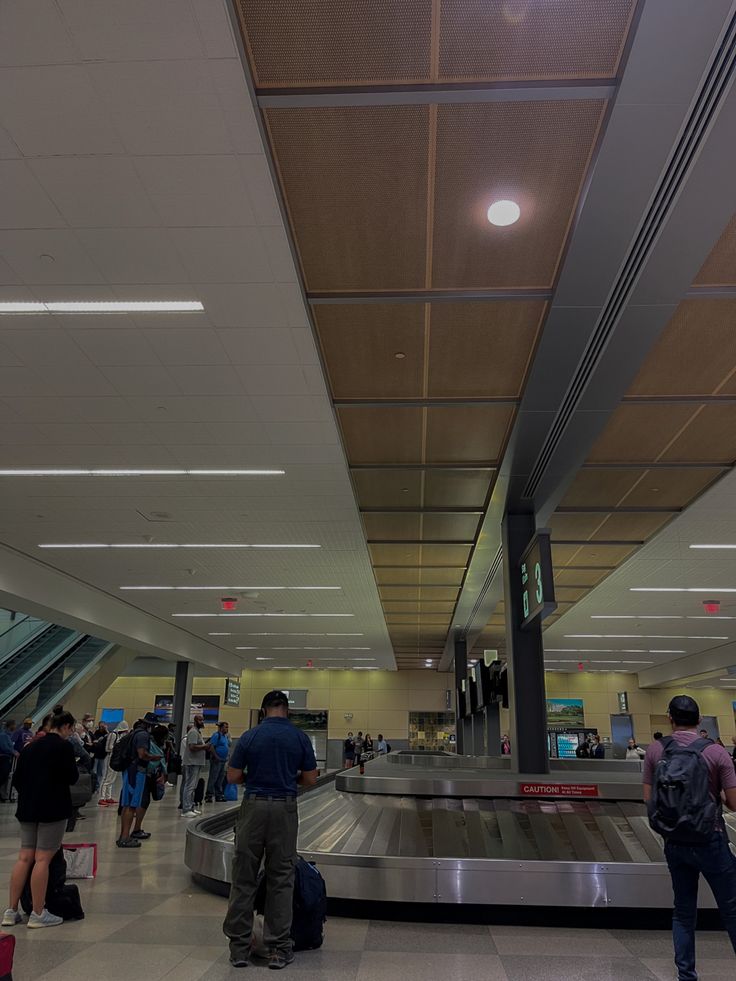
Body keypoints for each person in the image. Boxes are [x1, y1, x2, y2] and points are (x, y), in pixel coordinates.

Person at [643, 695, 736, 981]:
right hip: (711, 840)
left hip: (676, 843)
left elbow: (649, 799)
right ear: (699, 720)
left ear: (670, 719)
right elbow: (733, 802)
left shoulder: (656, 751)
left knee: (683, 911)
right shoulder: (716, 753)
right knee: (732, 909)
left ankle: (686, 975)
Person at [224, 690, 317, 970]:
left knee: (244, 877)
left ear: (264, 710)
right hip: (284, 809)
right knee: (281, 878)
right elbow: (311, 778)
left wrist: (255, 777)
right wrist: (289, 777)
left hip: (253, 807)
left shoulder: (250, 736)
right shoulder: (299, 737)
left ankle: (239, 949)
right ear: (286, 711)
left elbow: (232, 776)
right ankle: (277, 949)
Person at [3, 711, 78, 929]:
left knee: (24, 856)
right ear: (64, 726)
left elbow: (17, 780)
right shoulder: (64, 747)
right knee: (42, 859)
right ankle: (38, 912)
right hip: (53, 809)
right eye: (71, 729)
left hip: (27, 808)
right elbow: (72, 777)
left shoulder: (30, 747)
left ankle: (11, 911)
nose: (71, 733)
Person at [118, 713, 161, 848]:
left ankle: (123, 835)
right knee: (131, 805)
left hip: (130, 770)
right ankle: (125, 837)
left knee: (126, 805)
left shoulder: (135, 733)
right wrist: (154, 757)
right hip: (137, 772)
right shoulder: (143, 736)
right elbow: (142, 754)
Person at [181, 713, 208, 818]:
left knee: (193, 786)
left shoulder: (198, 732)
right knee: (189, 786)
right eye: (200, 720)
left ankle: (191, 806)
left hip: (197, 762)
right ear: (196, 721)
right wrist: (204, 746)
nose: (202, 722)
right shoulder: (193, 732)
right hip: (192, 762)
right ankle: (186, 809)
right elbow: (192, 747)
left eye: (203, 720)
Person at [98, 720, 127, 805]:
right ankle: (101, 797)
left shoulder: (118, 735)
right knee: (106, 777)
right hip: (109, 757)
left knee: (112, 778)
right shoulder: (113, 734)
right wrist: (117, 748)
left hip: (115, 757)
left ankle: (108, 796)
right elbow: (108, 748)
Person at [206, 721, 231, 803]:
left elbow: (226, 747)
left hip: (223, 760)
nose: (227, 729)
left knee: (220, 778)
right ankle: (209, 795)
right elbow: (211, 747)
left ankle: (218, 795)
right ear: (221, 728)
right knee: (213, 777)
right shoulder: (216, 735)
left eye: (227, 727)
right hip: (216, 760)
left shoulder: (225, 737)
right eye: (225, 727)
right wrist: (216, 757)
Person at [91, 720, 109, 794]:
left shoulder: (106, 733)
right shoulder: (96, 732)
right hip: (96, 754)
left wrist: (106, 730)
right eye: (100, 726)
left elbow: (110, 737)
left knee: (100, 772)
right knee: (94, 771)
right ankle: (93, 786)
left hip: (102, 755)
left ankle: (97, 787)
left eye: (103, 726)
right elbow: (94, 740)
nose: (101, 728)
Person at [0, 722, 15, 802]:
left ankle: (2, 795)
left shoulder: (8, 735)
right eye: (14, 725)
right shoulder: (3, 735)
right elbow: (4, 747)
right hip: (3, 758)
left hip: (7, 757)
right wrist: (13, 751)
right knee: (3, 775)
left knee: (5, 776)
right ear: (10, 726)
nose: (15, 727)